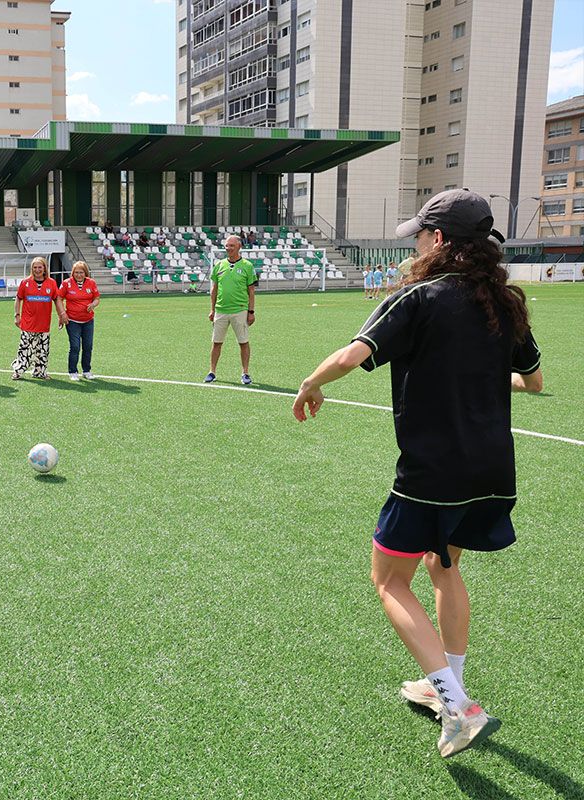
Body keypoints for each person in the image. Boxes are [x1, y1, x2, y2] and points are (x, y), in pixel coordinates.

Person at [291, 188, 543, 758]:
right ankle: (445, 688)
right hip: (492, 470)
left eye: (423, 235)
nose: (418, 244)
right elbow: (532, 381)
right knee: (442, 565)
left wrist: (309, 384)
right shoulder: (506, 303)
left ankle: (458, 706)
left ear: (441, 241)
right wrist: (479, 380)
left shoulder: (419, 296)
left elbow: (352, 356)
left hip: (431, 473)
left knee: (388, 580)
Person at [205, 235, 257, 386]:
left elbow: (251, 291)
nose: (228, 248)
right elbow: (214, 289)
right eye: (227, 246)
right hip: (221, 310)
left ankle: (245, 373)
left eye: (232, 246)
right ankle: (212, 372)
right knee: (216, 342)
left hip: (240, 310)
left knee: (243, 342)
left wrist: (251, 312)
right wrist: (212, 309)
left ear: (239, 247)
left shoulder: (247, 266)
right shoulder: (219, 265)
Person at [11, 256, 61, 380]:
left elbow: (57, 300)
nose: (37, 270)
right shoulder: (25, 282)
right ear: (31, 269)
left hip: (44, 324)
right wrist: (17, 315)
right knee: (24, 349)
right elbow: (18, 299)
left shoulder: (52, 283)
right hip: (28, 324)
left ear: (45, 268)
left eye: (40, 267)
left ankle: (40, 372)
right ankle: (18, 371)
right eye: (35, 267)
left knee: (42, 350)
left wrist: (62, 314)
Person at [58, 260, 99, 381]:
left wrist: (93, 304)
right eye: (76, 272)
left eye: (81, 272)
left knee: (88, 346)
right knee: (75, 346)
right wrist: (62, 314)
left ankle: (86, 370)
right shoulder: (66, 283)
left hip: (88, 321)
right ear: (72, 273)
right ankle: (73, 371)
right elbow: (59, 298)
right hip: (72, 321)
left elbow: (97, 298)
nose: (79, 275)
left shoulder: (91, 283)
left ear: (85, 272)